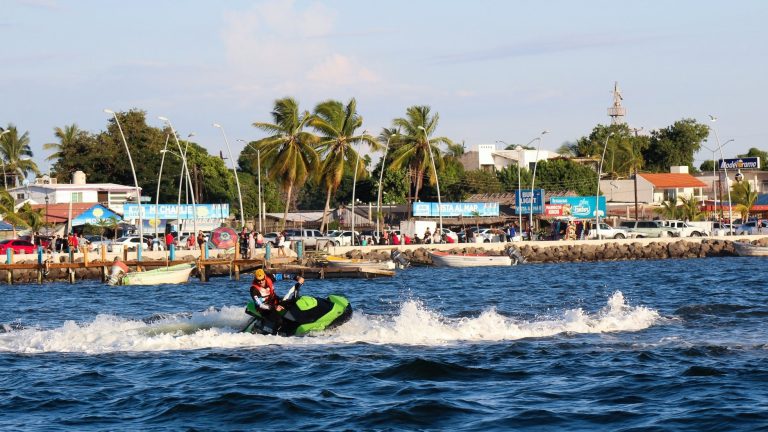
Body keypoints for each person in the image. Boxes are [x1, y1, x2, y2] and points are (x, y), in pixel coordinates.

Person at [249, 268, 304, 333]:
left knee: (292, 303)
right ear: (255, 279)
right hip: (265, 309)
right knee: (279, 320)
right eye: (258, 280)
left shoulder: (270, 277)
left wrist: (297, 278)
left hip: (274, 301)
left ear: (264, 277)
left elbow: (283, 276)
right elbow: (260, 304)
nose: (261, 282)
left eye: (262, 279)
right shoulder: (253, 289)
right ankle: (276, 333)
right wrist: (274, 307)